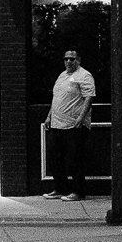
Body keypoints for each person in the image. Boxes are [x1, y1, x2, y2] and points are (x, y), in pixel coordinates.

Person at [43, 49, 96, 201]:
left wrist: (81, 117)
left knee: (75, 159)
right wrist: (49, 116)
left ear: (78, 60)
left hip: (74, 125)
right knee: (56, 158)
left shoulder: (84, 75)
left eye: (72, 59)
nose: (68, 62)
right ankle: (60, 188)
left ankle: (78, 191)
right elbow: (57, 98)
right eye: (66, 59)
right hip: (57, 124)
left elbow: (88, 97)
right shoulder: (62, 76)